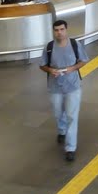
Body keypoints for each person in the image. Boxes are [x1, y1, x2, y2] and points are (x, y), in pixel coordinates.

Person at [39, 20, 88, 161]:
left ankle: (70, 148)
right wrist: (50, 70)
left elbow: (84, 60)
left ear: (66, 30)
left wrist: (72, 68)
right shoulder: (49, 47)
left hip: (73, 86)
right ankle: (61, 129)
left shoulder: (75, 45)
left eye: (61, 29)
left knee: (72, 116)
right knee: (58, 112)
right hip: (55, 87)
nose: (59, 32)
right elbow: (42, 65)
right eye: (56, 30)